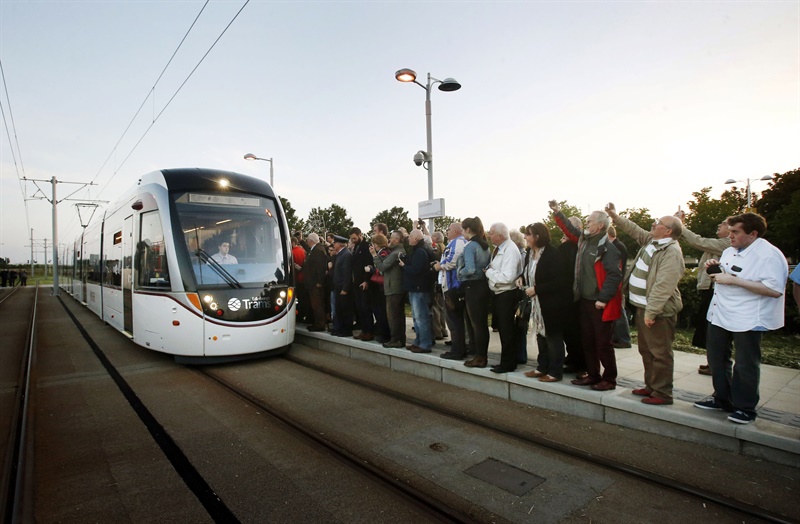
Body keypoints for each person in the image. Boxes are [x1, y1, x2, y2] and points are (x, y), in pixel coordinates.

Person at [694, 213, 788, 424]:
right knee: (716, 359)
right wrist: (715, 266)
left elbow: (774, 290)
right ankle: (722, 399)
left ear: (753, 233)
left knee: (745, 364)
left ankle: (745, 407)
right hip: (721, 313)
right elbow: (728, 274)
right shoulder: (729, 251)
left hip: (748, 317)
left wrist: (735, 281)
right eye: (730, 231)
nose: (730, 236)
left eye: (736, 232)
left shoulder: (769, 255)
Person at [607, 204, 685, 405]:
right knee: (647, 350)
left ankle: (662, 393)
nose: (654, 223)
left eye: (658, 222)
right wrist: (615, 216)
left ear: (668, 231)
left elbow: (664, 285)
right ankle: (651, 386)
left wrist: (652, 312)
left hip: (657, 311)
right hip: (642, 306)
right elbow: (634, 230)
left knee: (660, 353)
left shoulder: (671, 251)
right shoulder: (652, 241)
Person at [551, 201, 623, 391]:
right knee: (587, 341)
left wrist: (603, 298)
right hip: (584, 300)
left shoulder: (608, 248)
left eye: (590, 221)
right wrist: (558, 213)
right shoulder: (584, 240)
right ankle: (592, 375)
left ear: (600, 226)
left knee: (603, 344)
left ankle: (609, 379)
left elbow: (614, 275)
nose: (587, 223)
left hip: (599, 303)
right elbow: (569, 229)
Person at [676, 213, 731, 375]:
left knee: (715, 330)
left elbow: (698, 241)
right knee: (708, 329)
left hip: (714, 292)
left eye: (724, 223)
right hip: (709, 291)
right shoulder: (720, 245)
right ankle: (713, 362)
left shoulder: (726, 244)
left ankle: (717, 365)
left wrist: (680, 226)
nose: (719, 225)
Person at [520, 223, 570, 382]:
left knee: (552, 337)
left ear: (537, 236)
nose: (525, 238)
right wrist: (521, 278)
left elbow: (560, 282)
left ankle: (555, 371)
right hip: (537, 304)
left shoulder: (552, 254)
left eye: (528, 234)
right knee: (540, 335)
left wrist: (537, 289)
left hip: (551, 304)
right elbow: (527, 270)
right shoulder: (529, 253)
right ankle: (542, 367)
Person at [485, 223, 523, 374]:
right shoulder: (501, 248)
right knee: (503, 329)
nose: (489, 235)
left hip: (506, 294)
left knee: (507, 330)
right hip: (500, 293)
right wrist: (492, 272)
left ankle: (508, 364)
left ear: (500, 236)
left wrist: (489, 273)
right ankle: (506, 361)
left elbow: (507, 277)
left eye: (492, 233)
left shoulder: (510, 250)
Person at [457, 217, 491, 368]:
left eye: (463, 230)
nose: (462, 232)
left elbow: (469, 269)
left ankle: (480, 357)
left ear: (468, 230)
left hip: (473, 287)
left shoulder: (470, 246)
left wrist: (459, 272)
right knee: (482, 325)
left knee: (476, 325)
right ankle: (481, 355)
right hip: (483, 286)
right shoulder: (485, 245)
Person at [436, 222, 467, 360]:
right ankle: (456, 347)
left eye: (448, 229)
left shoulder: (459, 242)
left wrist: (439, 266)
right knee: (453, 320)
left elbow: (452, 261)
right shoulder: (453, 242)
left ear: (455, 231)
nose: (446, 231)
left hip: (453, 287)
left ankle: (458, 350)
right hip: (448, 286)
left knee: (456, 321)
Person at [400, 229, 435, 353]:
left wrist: (404, 265)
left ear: (416, 238)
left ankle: (425, 344)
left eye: (410, 237)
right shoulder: (420, 250)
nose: (408, 239)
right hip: (416, 288)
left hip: (419, 288)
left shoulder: (420, 252)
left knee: (421, 317)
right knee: (416, 317)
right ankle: (418, 341)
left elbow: (416, 270)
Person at [559, 216, 584, 376]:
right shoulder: (573, 246)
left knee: (574, 332)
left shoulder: (575, 247)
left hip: (572, 296)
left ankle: (578, 362)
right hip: (571, 295)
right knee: (571, 332)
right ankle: (573, 358)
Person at [375, 231, 407, 348]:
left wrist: (374, 255)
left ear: (397, 240)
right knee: (397, 315)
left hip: (394, 288)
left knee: (393, 315)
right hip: (394, 287)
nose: (389, 240)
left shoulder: (396, 253)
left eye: (392, 238)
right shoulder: (397, 251)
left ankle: (396, 339)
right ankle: (399, 339)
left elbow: (382, 266)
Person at [607, 226, 631, 349]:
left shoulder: (618, 247)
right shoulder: (617, 245)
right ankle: (618, 337)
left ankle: (624, 339)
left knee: (619, 311)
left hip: (618, 284)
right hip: (616, 283)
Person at [349, 227, 374, 341]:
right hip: (356, 282)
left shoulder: (365, 247)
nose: (353, 240)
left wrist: (366, 280)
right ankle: (364, 330)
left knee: (365, 308)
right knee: (359, 308)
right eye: (352, 239)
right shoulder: (356, 247)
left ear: (360, 235)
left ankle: (369, 331)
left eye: (354, 238)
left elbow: (368, 264)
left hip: (363, 282)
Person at [365, 233, 391, 343]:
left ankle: (385, 334)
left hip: (382, 286)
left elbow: (381, 268)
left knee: (381, 311)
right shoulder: (382, 252)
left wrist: (371, 270)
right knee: (379, 310)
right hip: (380, 286)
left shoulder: (384, 253)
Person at [509, 229, 529, 364]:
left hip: (520, 293)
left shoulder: (521, 255)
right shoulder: (523, 254)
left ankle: (520, 355)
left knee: (519, 326)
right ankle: (519, 354)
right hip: (520, 292)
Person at [304, 233, 329, 332]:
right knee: (315, 304)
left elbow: (320, 267)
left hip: (315, 283)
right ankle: (317, 322)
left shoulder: (318, 250)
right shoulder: (315, 249)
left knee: (317, 304)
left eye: (307, 240)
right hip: (312, 282)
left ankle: (320, 324)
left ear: (311, 240)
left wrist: (319, 281)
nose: (307, 242)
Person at [330, 235, 354, 337]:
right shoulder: (340, 254)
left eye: (335, 243)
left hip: (343, 287)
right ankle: (339, 328)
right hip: (338, 286)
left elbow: (347, 273)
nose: (333, 245)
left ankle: (346, 330)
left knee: (345, 310)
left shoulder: (346, 255)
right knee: (339, 309)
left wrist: (345, 288)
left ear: (339, 244)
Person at [430, 230, 449, 341]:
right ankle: (443, 329)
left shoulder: (437, 248)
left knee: (436, 307)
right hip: (443, 281)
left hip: (437, 280)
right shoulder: (445, 247)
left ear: (436, 238)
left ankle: (437, 331)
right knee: (442, 307)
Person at [291, 237, 308, 323]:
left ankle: (299, 316)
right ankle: (304, 314)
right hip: (304, 277)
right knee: (303, 299)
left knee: (298, 299)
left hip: (297, 278)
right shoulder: (302, 251)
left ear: (293, 243)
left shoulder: (292, 252)